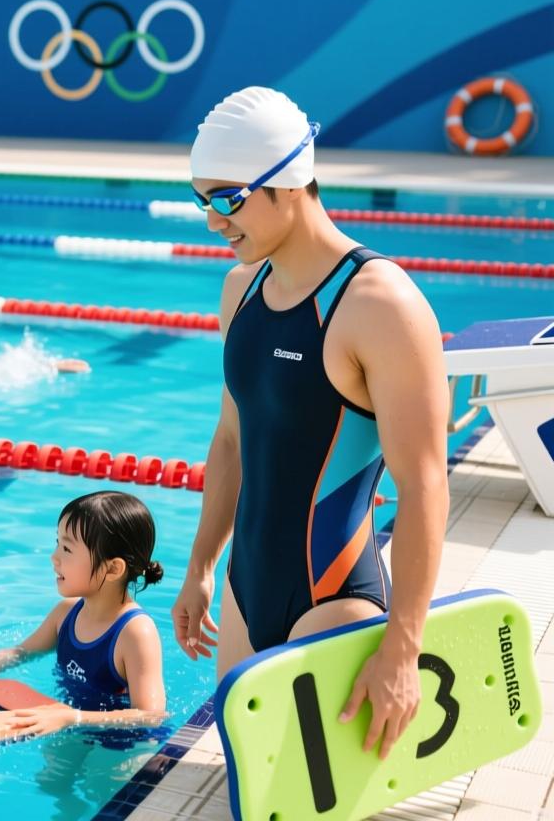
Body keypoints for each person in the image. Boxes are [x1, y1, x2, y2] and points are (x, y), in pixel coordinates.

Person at [170, 86, 450, 760]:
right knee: (250, 793)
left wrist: (403, 649)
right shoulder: (240, 291)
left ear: (289, 182)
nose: (213, 221)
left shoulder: (379, 303)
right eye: (202, 200)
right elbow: (233, 438)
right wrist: (201, 566)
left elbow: (424, 485)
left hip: (333, 596)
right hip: (244, 593)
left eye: (228, 199)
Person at [0, 491, 166, 736]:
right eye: (58, 543)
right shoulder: (66, 614)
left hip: (121, 740)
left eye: (67, 548)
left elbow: (151, 715)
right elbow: (22, 651)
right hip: (65, 720)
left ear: (112, 568)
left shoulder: (135, 632)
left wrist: (71, 717)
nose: (54, 557)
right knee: (51, 774)